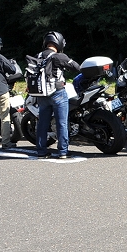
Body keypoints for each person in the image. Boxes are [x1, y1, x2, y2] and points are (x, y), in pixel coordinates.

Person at [34, 31, 81, 159]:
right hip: (57, 93)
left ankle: (41, 151)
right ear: (59, 43)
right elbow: (77, 67)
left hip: (41, 94)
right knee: (62, 123)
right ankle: (63, 151)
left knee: (42, 123)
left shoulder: (38, 56)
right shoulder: (59, 56)